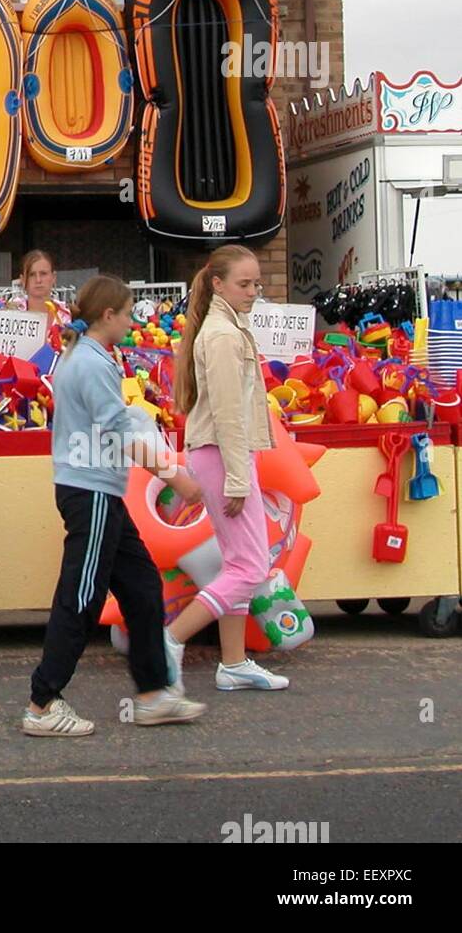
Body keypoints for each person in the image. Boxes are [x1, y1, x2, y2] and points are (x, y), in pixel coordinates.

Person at [23, 275, 206, 737]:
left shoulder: (84, 355)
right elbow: (117, 432)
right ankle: (43, 703)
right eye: (126, 313)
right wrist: (174, 475)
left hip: (95, 490)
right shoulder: (92, 362)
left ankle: (153, 694)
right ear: (108, 315)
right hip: (92, 493)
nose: (131, 321)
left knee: (142, 587)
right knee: (81, 598)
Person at [162, 245, 287, 694]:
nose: (254, 291)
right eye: (245, 284)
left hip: (221, 454)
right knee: (251, 568)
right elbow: (230, 415)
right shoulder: (222, 335)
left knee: (238, 562)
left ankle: (233, 662)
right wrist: (238, 477)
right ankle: (170, 639)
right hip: (221, 455)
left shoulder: (226, 328)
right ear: (218, 285)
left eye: (257, 284)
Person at [2, 249, 71, 324]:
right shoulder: (10, 313)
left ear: (53, 277)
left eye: (43, 273)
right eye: (31, 275)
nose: (38, 280)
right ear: (22, 280)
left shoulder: (67, 314)